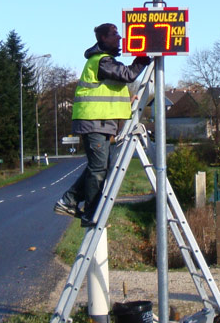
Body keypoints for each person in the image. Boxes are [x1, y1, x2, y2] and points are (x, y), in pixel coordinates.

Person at [54, 23, 151, 227]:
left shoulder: (106, 61)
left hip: (101, 122)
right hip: (93, 122)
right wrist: (141, 59)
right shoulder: (102, 61)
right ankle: (90, 213)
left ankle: (69, 201)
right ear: (103, 39)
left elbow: (108, 92)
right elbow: (128, 75)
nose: (120, 38)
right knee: (98, 168)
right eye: (114, 34)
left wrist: (128, 101)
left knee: (99, 167)